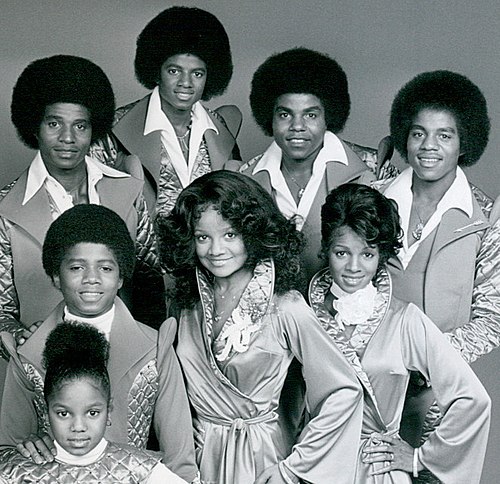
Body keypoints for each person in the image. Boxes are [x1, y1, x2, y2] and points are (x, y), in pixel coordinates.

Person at [156, 170, 364, 484]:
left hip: (260, 459)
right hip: (195, 458)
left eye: (229, 234)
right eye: (202, 237)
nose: (215, 249)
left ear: (253, 231)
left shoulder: (286, 307)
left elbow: (343, 390)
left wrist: (294, 467)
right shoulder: (185, 306)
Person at [308, 183, 490, 483]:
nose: (354, 266)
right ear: (326, 248)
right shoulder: (302, 313)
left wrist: (420, 458)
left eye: (367, 254)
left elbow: (472, 399)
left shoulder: (405, 320)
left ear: (382, 255)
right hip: (315, 465)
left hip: (375, 471)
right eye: (342, 252)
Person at [0, 204, 197, 482]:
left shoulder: (156, 348)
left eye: (105, 267)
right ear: (56, 276)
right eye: (77, 267)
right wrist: (26, 446)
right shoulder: (27, 353)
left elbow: (180, 460)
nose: (91, 278)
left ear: (121, 277)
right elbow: (8, 450)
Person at [0, 54, 165, 366]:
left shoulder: (128, 192)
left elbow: (150, 286)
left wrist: (150, 359)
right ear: (34, 127)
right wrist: (20, 338)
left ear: (94, 129)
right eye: (54, 124)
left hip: (125, 364)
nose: (67, 138)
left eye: (80, 126)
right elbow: (1, 312)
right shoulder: (5, 211)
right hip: (46, 374)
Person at [380, 71, 500, 454]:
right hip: (365, 385)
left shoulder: (486, 218)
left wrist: (426, 361)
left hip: (439, 397)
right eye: (418, 133)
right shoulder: (371, 198)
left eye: (444, 135)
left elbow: (492, 316)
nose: (428, 146)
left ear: (465, 142)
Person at [238, 47, 397, 286]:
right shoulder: (245, 180)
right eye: (285, 115)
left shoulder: (373, 172)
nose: (297, 126)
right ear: (269, 117)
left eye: (310, 115)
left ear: (328, 116)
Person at [91, 6, 242, 218]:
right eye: (174, 71)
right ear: (156, 70)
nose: (185, 83)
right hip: (141, 250)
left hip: (210, 250)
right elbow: (92, 206)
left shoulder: (219, 127)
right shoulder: (114, 129)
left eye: (197, 73)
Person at [0, 322, 188, 483]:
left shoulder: (142, 469)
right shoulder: (16, 472)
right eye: (64, 413)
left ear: (108, 410)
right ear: (46, 414)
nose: (78, 427)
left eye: (92, 413)